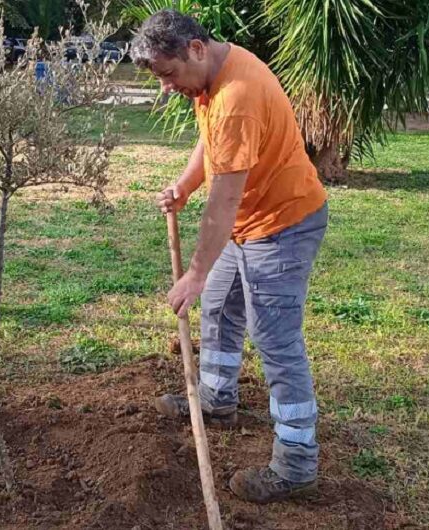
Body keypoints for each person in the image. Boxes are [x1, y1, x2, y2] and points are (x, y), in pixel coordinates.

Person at [131, 10, 329, 505]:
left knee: (275, 339)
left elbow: (224, 200)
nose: (167, 88)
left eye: (168, 74)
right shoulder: (214, 78)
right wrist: (183, 183)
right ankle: (217, 401)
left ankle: (297, 463)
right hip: (247, 226)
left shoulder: (238, 95)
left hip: (282, 225)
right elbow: (211, 141)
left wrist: (195, 272)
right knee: (219, 309)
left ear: (195, 49)